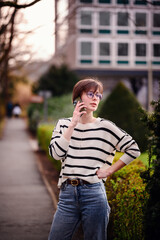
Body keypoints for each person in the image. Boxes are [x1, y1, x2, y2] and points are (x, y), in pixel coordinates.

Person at [48, 78, 141, 240]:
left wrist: (109, 170)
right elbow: (56, 154)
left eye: (98, 95)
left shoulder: (106, 127)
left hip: (94, 195)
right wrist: (73, 125)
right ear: (78, 98)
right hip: (67, 195)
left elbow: (133, 149)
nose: (95, 98)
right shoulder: (63, 124)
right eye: (90, 94)